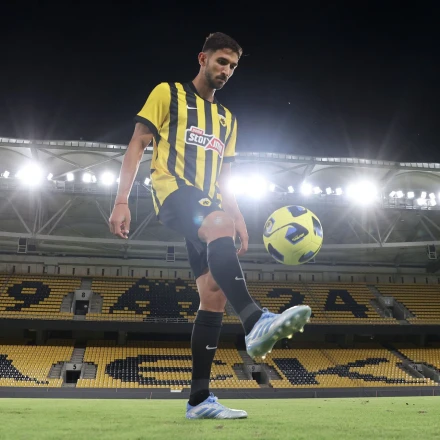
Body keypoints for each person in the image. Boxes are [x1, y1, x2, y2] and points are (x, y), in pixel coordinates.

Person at [109, 32, 312, 419]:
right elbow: (138, 142)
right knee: (217, 223)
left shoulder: (228, 120)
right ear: (202, 59)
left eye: (233, 66)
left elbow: (224, 177)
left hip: (210, 207)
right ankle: (254, 320)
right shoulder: (168, 93)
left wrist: (237, 217)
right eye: (221, 61)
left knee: (213, 295)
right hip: (173, 192)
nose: (227, 70)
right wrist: (121, 200)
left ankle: (199, 400)